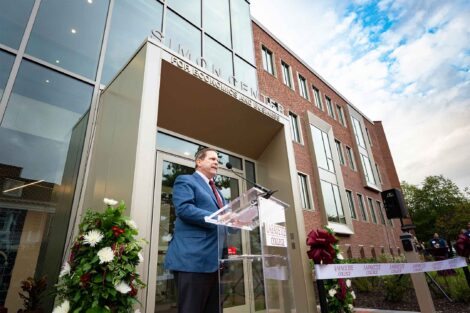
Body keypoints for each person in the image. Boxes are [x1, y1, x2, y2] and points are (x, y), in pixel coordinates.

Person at [164, 147, 225, 313]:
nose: (216, 163)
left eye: (218, 161)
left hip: (215, 263)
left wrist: (237, 218)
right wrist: (220, 218)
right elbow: (184, 209)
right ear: (198, 162)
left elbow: (227, 217)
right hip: (193, 260)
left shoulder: (219, 193)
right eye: (212, 159)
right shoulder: (186, 180)